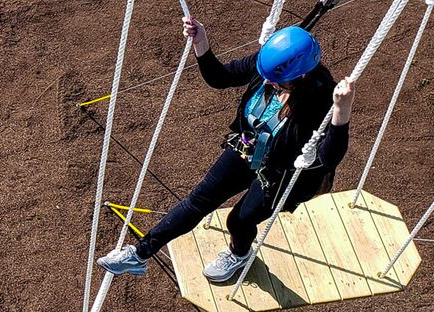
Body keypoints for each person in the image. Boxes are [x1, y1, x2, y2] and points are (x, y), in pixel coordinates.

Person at [98, 17, 355, 283]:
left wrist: (341, 112)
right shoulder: (269, 68)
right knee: (198, 200)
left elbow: (328, 157)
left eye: (278, 82)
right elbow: (220, 77)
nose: (268, 84)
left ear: (300, 76)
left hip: (283, 172)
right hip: (250, 147)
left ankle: (239, 253)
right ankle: (139, 254)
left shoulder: (321, 98)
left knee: (239, 220)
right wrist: (202, 43)